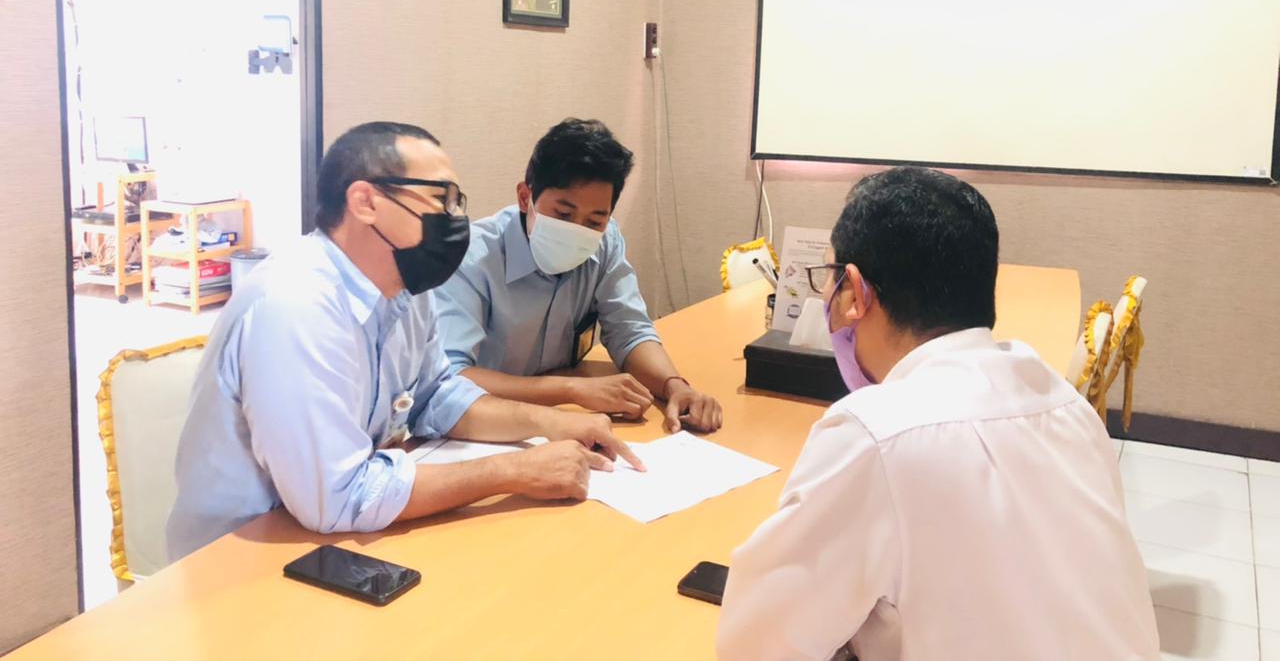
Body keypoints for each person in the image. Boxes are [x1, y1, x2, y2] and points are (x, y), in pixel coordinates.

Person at [716, 167, 1158, 660]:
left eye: (829, 279)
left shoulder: (875, 434)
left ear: (855, 292)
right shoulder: (1065, 404)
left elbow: (754, 646)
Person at [167, 121, 641, 562]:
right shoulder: (295, 306)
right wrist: (514, 471)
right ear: (365, 202)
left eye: (457, 202)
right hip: (245, 557)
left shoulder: (405, 288)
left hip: (333, 538)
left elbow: (439, 396)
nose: (455, 219)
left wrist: (549, 423)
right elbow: (340, 497)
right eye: (440, 200)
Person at [434, 118, 723, 433]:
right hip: (479, 425)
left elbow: (629, 331)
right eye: (563, 214)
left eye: (595, 221)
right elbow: (451, 376)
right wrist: (571, 389)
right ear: (525, 197)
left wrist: (674, 386)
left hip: (566, 423)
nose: (577, 230)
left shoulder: (606, 240)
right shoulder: (471, 258)